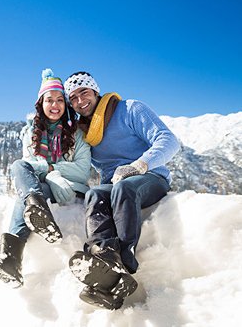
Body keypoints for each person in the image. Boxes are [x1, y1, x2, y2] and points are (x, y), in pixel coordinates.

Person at [63, 71, 180, 310]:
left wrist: (139, 165)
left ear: (95, 91)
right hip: (113, 185)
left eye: (83, 92)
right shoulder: (86, 133)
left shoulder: (130, 109)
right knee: (95, 195)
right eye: (73, 98)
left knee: (124, 188)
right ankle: (103, 258)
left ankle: (125, 262)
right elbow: (77, 164)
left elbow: (169, 140)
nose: (79, 100)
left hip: (150, 177)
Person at [0, 69, 91, 287]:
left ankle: (12, 259)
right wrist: (46, 172)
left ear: (66, 106)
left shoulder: (77, 134)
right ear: (41, 103)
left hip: (70, 189)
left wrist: (49, 168)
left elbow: (82, 171)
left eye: (60, 100)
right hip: (42, 189)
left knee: (27, 192)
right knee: (19, 167)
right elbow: (26, 167)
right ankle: (15, 252)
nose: (55, 105)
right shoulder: (31, 133)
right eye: (50, 100)